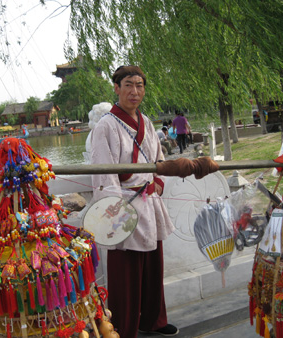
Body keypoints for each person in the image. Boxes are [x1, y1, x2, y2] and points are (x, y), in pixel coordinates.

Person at [89, 65, 179, 338]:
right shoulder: (106, 126)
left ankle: (153, 320)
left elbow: (158, 158)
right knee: (126, 275)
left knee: (153, 267)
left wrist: (159, 180)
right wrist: (116, 212)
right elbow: (103, 172)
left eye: (139, 85)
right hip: (124, 204)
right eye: (128, 85)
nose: (135, 91)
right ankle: (122, 328)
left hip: (149, 200)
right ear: (116, 88)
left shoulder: (147, 122)